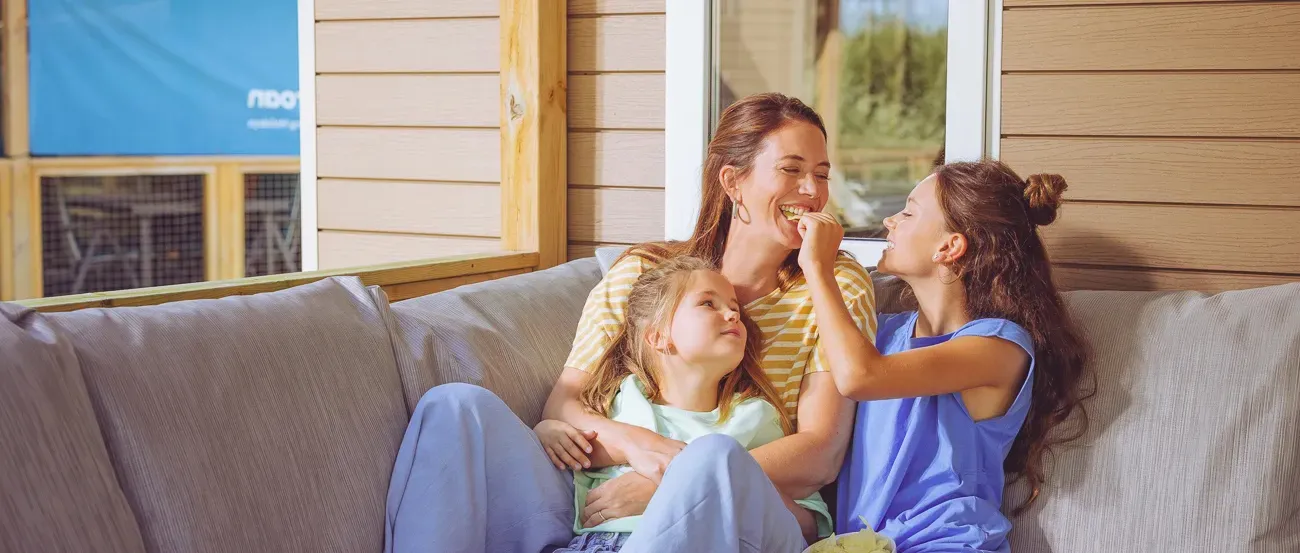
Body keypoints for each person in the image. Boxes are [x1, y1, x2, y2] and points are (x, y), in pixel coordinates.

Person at [383, 92, 878, 553]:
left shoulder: (833, 283)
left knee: (711, 457)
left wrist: (673, 481)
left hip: (733, 503)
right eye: (791, 170)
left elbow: (819, 453)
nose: (812, 192)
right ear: (732, 182)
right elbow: (567, 402)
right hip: (598, 500)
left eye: (822, 173)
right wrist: (646, 451)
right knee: (454, 406)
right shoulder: (645, 272)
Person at [796, 160, 1094, 552]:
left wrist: (817, 266)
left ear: (949, 247)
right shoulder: (884, 333)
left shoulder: (999, 348)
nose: (889, 221)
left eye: (908, 212)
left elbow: (860, 377)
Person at [538, 256, 832, 552]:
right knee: (488, 409)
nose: (732, 314)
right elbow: (576, 450)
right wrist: (546, 431)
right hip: (592, 545)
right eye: (708, 303)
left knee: (716, 450)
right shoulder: (620, 400)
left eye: (735, 308)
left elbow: (807, 526)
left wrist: (703, 487)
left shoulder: (754, 418)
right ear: (659, 336)